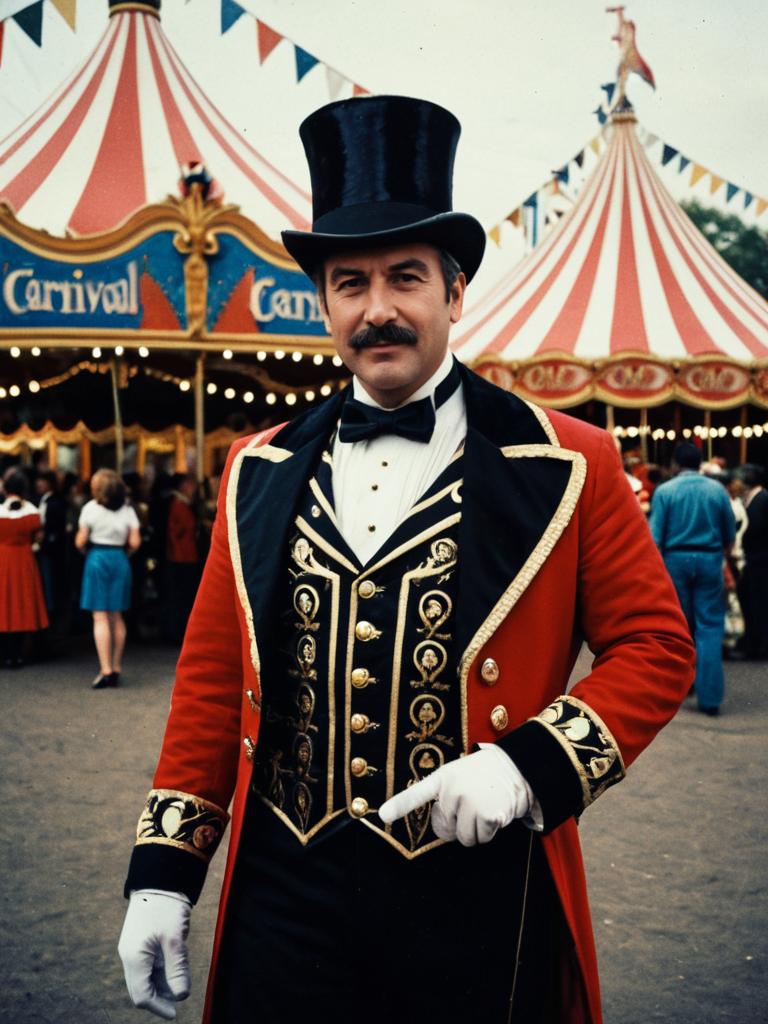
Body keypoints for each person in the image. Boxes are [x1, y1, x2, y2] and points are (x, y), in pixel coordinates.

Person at [118, 96, 694, 1024]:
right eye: (350, 283)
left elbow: (658, 648)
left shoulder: (569, 460)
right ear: (325, 300)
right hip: (283, 898)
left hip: (477, 898)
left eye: (406, 278)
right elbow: (213, 683)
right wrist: (163, 875)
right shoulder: (254, 471)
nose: (377, 310)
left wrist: (526, 767)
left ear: (454, 292)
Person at [649, 442, 735, 715]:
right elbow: (729, 534)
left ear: (675, 463)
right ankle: (710, 698)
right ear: (700, 462)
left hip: (675, 561)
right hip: (709, 559)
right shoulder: (717, 490)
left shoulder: (665, 491)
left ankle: (683, 684)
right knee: (710, 627)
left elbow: (654, 538)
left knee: (680, 627)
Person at [76, 469, 141, 688]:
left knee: (100, 617)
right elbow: (134, 542)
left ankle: (105, 669)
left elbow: (80, 540)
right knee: (117, 615)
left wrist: (86, 551)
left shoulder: (89, 509)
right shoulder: (128, 510)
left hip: (97, 557)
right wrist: (124, 555)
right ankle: (116, 666)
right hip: (119, 559)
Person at [0, 468, 48, 668]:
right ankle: (19, 653)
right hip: (25, 558)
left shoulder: (1, 511)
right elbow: (39, 538)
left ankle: (6, 654)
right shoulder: (32, 511)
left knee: (4, 602)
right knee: (22, 601)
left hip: (3, 558)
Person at [163, 474, 201, 644]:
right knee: (183, 596)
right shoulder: (179, 505)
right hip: (183, 556)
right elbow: (177, 532)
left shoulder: (181, 504)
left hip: (184, 554)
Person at [736, 463, 768, 659]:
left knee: (759, 602)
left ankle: (760, 644)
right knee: (749, 600)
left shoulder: (763, 498)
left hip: (761, 558)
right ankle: (753, 641)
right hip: (752, 558)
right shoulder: (749, 498)